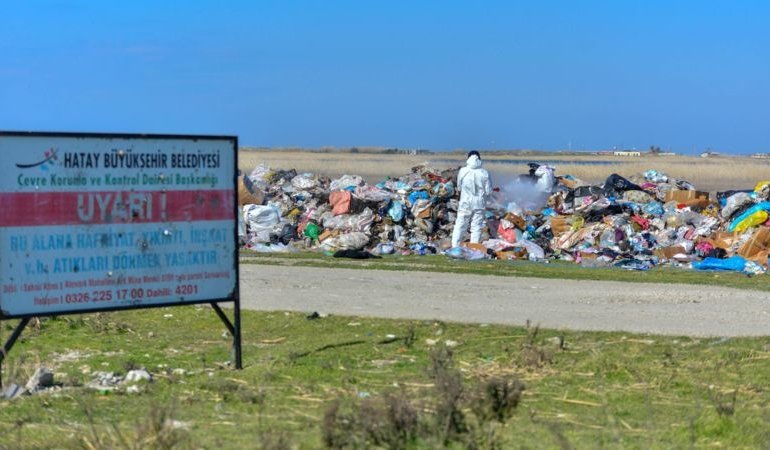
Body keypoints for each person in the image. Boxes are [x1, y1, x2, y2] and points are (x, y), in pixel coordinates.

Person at [451, 150, 492, 248]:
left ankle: (455, 247)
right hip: (479, 203)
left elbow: (459, 187)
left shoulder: (463, 171)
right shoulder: (484, 173)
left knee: (460, 225)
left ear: (468, 158)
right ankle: (474, 249)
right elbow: (489, 191)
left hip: (465, 202)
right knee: (476, 226)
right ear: (479, 159)